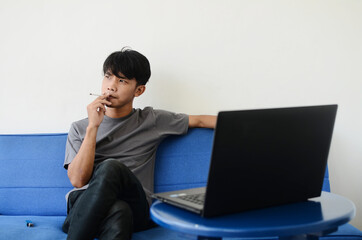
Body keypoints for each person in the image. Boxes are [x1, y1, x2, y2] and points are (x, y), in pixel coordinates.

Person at [62, 47, 216, 240]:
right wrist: (93, 126)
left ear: (139, 90)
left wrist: (247, 126)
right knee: (119, 210)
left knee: (111, 168)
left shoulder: (151, 120)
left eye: (122, 81)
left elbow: (200, 121)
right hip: (82, 209)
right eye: (108, 77)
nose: (111, 86)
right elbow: (77, 181)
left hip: (137, 207)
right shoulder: (80, 128)